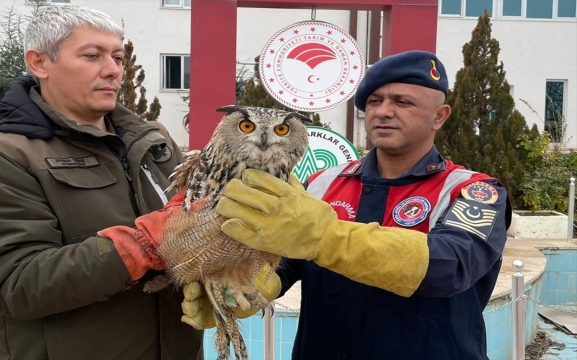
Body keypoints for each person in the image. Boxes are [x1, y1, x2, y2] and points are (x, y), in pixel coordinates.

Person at [183, 50, 513, 359]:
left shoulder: (473, 190)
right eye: (374, 101)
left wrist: (326, 237)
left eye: (402, 101)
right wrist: (245, 288)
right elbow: (287, 260)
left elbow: (449, 266)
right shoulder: (324, 182)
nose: (383, 111)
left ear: (439, 117)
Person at [0, 5, 227, 359]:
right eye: (92, 56)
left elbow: (191, 235)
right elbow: (15, 284)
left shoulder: (153, 140)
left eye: (118, 57)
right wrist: (142, 245)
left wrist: (230, 264)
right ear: (39, 63)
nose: (113, 70)